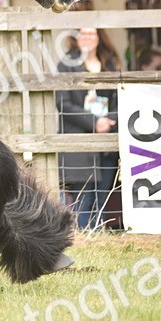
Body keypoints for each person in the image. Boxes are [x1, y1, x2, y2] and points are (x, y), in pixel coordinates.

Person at [56, 27, 120, 230]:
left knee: (102, 199)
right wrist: (94, 122)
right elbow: (63, 103)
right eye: (82, 34)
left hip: (106, 143)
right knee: (83, 200)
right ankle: (84, 240)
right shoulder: (66, 65)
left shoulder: (110, 64)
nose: (87, 38)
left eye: (92, 34)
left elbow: (120, 97)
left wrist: (108, 121)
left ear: (99, 37)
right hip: (79, 143)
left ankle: (99, 239)